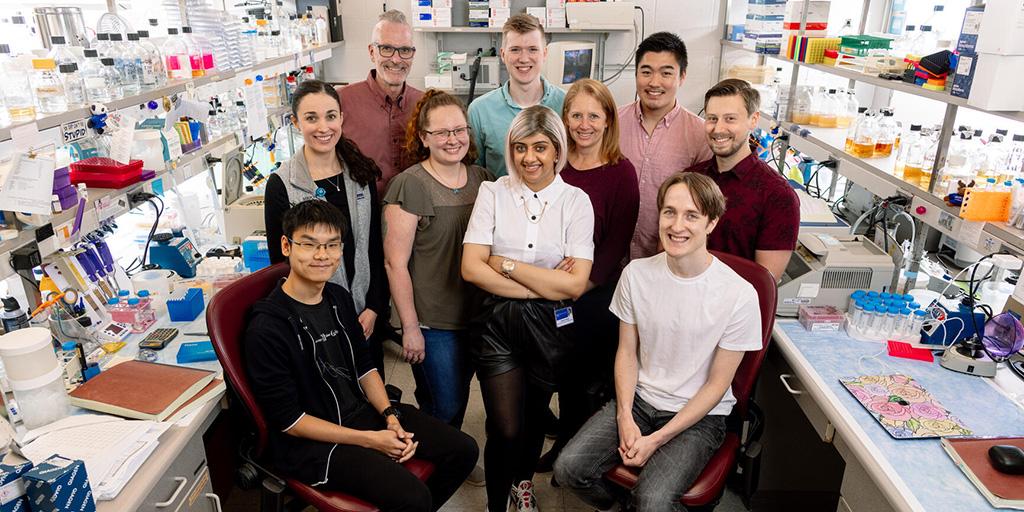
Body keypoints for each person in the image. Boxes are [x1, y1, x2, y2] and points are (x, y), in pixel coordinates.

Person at [245, 199, 478, 512]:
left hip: (360, 412)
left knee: (463, 450)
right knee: (413, 497)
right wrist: (371, 439)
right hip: (313, 442)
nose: (321, 256)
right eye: (309, 244)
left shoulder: (337, 298)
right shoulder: (267, 328)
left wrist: (389, 416)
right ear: (286, 246)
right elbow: (291, 422)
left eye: (331, 245)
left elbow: (365, 367)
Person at [554, 172, 763, 512]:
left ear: (711, 223)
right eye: (669, 212)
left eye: (691, 215)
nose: (677, 225)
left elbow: (717, 385)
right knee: (568, 470)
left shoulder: (739, 295)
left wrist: (656, 440)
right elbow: (626, 353)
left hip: (698, 416)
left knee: (651, 500)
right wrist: (624, 416)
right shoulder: (636, 274)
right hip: (640, 401)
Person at [462, 105, 594, 512]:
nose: (529, 157)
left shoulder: (576, 201)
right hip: (496, 322)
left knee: (536, 414)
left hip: (551, 326)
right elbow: (470, 268)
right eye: (520, 147)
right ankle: (497, 504)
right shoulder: (493, 192)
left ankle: (522, 484)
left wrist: (502, 263)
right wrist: (541, 286)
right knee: (504, 425)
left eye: (540, 146)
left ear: (558, 149)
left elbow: (574, 283)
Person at [537, 78, 639, 473]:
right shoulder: (553, 165)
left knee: (585, 381)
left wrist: (578, 286)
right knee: (555, 373)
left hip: (595, 294)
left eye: (593, 115)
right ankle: (564, 440)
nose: (584, 124)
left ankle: (574, 451)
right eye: (576, 114)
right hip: (546, 288)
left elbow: (616, 246)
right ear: (564, 119)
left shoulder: (620, 173)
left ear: (609, 120)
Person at [383, 90, 494, 428]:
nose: (453, 139)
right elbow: (395, 264)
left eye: (459, 130)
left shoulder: (483, 180)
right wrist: (411, 327)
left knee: (461, 399)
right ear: (423, 137)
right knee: (443, 406)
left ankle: (451, 457)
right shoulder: (409, 185)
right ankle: (431, 468)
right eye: (442, 132)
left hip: (479, 315)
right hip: (433, 323)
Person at [264, 79, 389, 375]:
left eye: (331, 116)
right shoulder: (282, 185)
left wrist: (374, 308)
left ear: (342, 118)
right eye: (311, 118)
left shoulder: (360, 172)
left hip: (363, 314)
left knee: (373, 393)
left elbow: (373, 246)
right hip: (315, 321)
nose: (323, 127)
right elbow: (280, 263)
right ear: (295, 123)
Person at [687, 78, 799, 280]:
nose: (718, 128)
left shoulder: (778, 196)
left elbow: (763, 284)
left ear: (753, 120)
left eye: (730, 119)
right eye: (712, 118)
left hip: (735, 309)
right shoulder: (690, 179)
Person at [618, 32, 713, 260]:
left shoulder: (700, 134)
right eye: (646, 72)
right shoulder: (612, 123)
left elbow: (704, 205)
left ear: (682, 77)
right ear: (636, 74)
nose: (654, 83)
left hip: (668, 260)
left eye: (666, 73)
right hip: (610, 261)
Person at [468, 14, 566, 178]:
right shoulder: (479, 111)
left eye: (533, 49)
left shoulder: (565, 104)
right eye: (515, 50)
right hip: (499, 202)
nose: (524, 58)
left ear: (545, 53)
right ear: (503, 54)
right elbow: (474, 174)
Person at [338, 9, 424, 196]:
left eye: (405, 50)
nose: (396, 59)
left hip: (416, 216)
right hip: (361, 216)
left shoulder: (424, 103)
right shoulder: (342, 101)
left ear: (412, 54)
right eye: (386, 48)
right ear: (371, 52)